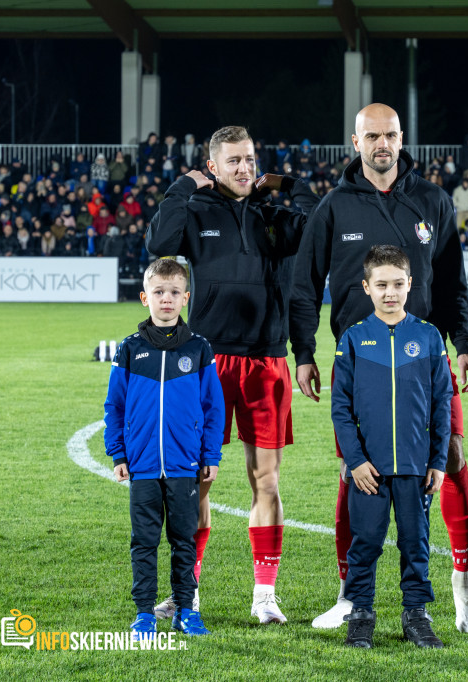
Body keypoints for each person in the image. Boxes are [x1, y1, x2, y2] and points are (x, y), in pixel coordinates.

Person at [290, 103, 468, 634]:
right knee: (357, 472)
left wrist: (462, 342)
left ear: (402, 139)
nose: (382, 144)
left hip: (426, 361)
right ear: (355, 142)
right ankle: (352, 594)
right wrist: (304, 352)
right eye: (372, 135)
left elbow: (451, 283)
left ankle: (463, 581)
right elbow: (303, 284)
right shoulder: (333, 207)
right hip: (361, 360)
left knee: (452, 454)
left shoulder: (433, 201)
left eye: (391, 135)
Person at [146, 125, 319, 624]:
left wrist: (285, 184)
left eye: (249, 159)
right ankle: (187, 593)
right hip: (209, 363)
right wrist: (184, 185)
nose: (244, 168)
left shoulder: (276, 215)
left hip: (268, 360)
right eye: (233, 161)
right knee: (198, 479)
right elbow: (159, 241)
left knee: (266, 479)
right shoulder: (196, 210)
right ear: (213, 166)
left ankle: (265, 597)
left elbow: (314, 227)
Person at [333, 245, 452, 649]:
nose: (390, 293)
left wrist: (437, 461)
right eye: (381, 285)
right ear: (367, 287)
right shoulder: (353, 338)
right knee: (364, 543)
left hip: (416, 467)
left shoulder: (429, 336)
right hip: (369, 470)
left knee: (415, 543)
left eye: (398, 285)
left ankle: (416, 614)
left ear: (410, 285)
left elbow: (441, 404)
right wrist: (357, 460)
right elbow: (341, 410)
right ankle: (361, 613)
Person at [104, 258, 224, 641]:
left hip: (184, 464)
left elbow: (212, 408)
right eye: (158, 292)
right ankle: (143, 614)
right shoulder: (129, 349)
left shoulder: (199, 348)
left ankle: (186, 610)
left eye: (174, 292)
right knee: (143, 541)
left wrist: (210, 456)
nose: (166, 299)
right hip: (140, 466)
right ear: (144, 298)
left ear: (186, 297)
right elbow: (115, 406)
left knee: (183, 540)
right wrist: (118, 453)